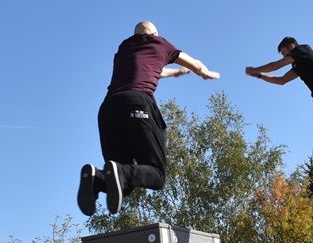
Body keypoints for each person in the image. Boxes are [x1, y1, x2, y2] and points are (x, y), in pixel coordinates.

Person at [78, 21, 220, 216]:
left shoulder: (124, 49)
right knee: (157, 174)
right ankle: (116, 173)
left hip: (108, 110)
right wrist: (205, 73)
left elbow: (147, 68)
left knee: (121, 184)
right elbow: (194, 63)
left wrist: (175, 73)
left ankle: (95, 179)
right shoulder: (160, 44)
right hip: (137, 103)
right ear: (154, 34)